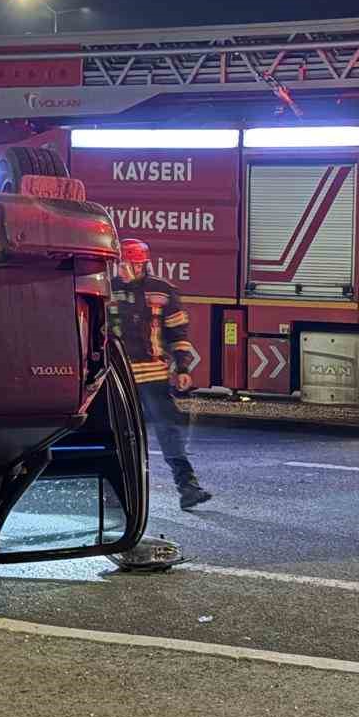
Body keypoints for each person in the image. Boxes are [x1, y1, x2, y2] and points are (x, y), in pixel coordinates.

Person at [106, 238, 212, 572]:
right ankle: (113, 497)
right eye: (124, 264)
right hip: (118, 376)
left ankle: (188, 487)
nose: (128, 269)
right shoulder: (107, 290)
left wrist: (183, 367)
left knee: (169, 431)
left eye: (134, 264)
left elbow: (178, 332)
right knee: (120, 437)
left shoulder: (162, 291)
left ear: (144, 264)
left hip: (152, 375)